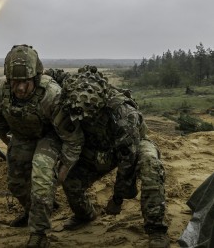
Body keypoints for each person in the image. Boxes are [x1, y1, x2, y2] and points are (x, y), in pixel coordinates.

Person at [50, 65, 170, 248]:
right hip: (97, 148)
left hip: (132, 145)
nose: (79, 120)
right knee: (71, 181)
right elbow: (58, 75)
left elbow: (127, 162)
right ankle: (85, 215)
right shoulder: (74, 88)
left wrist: (117, 200)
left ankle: (156, 230)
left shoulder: (123, 114)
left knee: (151, 166)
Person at [0, 45, 62, 248]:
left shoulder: (51, 94)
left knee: (41, 176)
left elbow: (69, 132)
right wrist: (3, 133)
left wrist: (67, 162)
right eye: (15, 82)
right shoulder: (0, 89)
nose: (19, 88)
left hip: (49, 136)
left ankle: (39, 233)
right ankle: (33, 210)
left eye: (25, 82)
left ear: (35, 79)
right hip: (22, 136)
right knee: (16, 182)